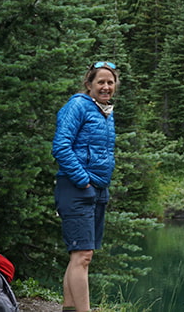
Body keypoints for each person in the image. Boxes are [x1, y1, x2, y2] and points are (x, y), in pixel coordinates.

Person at [52, 61, 118, 312]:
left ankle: (69, 309)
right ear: (89, 84)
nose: (105, 86)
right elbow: (60, 146)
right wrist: (83, 181)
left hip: (97, 189)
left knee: (80, 255)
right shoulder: (78, 106)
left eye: (110, 82)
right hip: (76, 186)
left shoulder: (105, 112)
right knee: (83, 255)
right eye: (100, 81)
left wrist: (97, 186)